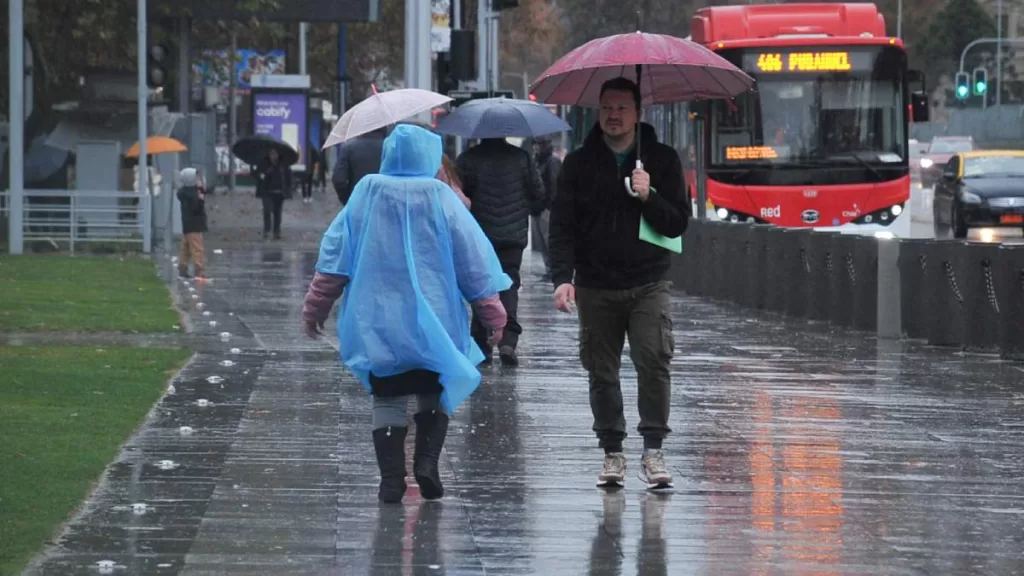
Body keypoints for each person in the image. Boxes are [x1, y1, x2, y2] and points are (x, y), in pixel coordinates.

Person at [301, 124, 510, 504]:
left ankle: (391, 478)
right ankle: (427, 463)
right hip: (436, 319)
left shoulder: (366, 193)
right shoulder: (442, 197)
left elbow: (335, 258)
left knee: (388, 396)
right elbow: (472, 262)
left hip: (379, 320)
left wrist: (315, 308)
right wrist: (493, 313)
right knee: (433, 390)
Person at [548, 77, 689, 489]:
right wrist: (563, 279)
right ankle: (612, 452)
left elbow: (678, 222)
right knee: (601, 371)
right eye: (607, 107)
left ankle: (653, 449)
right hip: (595, 285)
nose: (613, 115)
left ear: (637, 114)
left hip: (649, 280)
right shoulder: (578, 164)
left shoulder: (661, 159)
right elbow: (562, 227)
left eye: (622, 108)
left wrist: (650, 196)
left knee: (654, 361)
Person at [457, 136, 545, 366]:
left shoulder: (468, 159)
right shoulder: (521, 158)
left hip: (479, 235)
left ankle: (482, 343)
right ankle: (508, 340)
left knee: (480, 285)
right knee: (509, 284)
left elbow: (458, 196)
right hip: (512, 237)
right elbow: (538, 194)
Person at [532, 136, 562, 279]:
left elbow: (554, 185)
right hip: (538, 207)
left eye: (539, 144)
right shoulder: (536, 161)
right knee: (541, 241)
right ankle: (549, 268)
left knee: (548, 239)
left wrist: (548, 206)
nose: (536, 147)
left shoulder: (552, 161)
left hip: (546, 208)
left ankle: (553, 269)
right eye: (535, 144)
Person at [332, 126, 386, 206]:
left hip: (358, 204)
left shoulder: (349, 148)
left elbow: (339, 179)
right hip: (384, 205)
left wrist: (348, 200)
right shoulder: (391, 148)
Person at [252, 148, 292, 240]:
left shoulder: (283, 164)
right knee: (267, 210)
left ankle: (276, 231)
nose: (273, 155)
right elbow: (256, 174)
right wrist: (264, 174)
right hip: (266, 192)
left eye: (275, 153)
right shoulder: (264, 163)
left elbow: (288, 176)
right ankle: (267, 230)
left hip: (279, 192)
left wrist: (288, 190)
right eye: (271, 153)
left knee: (277, 213)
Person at [176, 167, 208, 280]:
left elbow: (203, 191)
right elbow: (196, 209)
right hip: (194, 225)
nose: (199, 179)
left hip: (187, 225)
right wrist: (200, 200)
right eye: (196, 177)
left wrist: (200, 190)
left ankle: (182, 269)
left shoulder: (185, 192)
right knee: (197, 248)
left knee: (185, 248)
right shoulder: (192, 195)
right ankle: (199, 271)